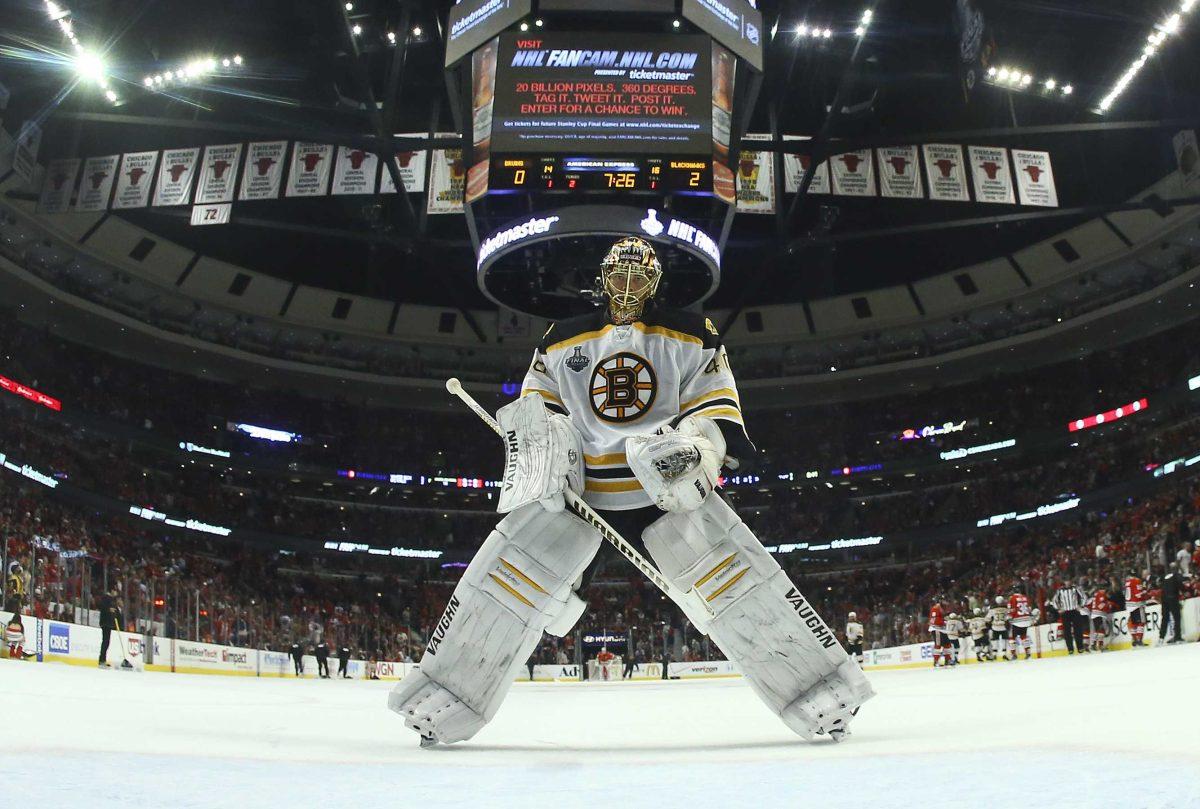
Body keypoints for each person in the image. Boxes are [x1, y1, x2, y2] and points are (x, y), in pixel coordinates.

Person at [388, 237, 873, 746]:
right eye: (618, 276)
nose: (626, 287)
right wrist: (543, 461)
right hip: (578, 494)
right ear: (602, 278)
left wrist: (697, 455)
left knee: (737, 591)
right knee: (509, 588)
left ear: (656, 283)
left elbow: (715, 409)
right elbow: (535, 415)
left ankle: (821, 693)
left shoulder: (691, 331)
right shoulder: (561, 337)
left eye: (638, 277)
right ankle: (442, 700)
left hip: (664, 491)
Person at [1050, 579, 1087, 655]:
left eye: (1069, 581)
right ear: (1064, 582)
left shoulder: (1075, 588)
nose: (1068, 582)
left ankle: (1080, 648)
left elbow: (1084, 597)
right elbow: (1054, 601)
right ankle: (1070, 649)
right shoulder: (1060, 590)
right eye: (1066, 581)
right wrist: (1059, 609)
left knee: (1078, 630)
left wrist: (1081, 606)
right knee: (1067, 632)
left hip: (1075, 611)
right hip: (1065, 612)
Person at [1158, 564, 1184, 645]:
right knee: (1177, 618)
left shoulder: (1165, 576)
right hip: (1173, 598)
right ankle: (1178, 638)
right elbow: (1181, 585)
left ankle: (1161, 638)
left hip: (1164, 599)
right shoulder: (1177, 575)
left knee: (1165, 618)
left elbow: (1160, 585)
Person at [97, 588, 122, 668]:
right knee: (105, 641)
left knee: (107, 642)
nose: (115, 593)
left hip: (110, 624)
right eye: (114, 591)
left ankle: (103, 660)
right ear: (111, 590)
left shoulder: (113, 601)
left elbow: (117, 613)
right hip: (105, 623)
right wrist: (109, 610)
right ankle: (101, 660)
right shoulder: (106, 598)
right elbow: (102, 607)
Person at [1008, 587, 1034, 660]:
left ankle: (1013, 655)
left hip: (1017, 621)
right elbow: (1029, 608)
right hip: (1026, 619)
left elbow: (1011, 610)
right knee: (1024, 637)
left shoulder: (1012, 598)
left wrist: (1009, 618)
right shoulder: (1025, 597)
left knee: (1012, 638)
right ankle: (1028, 654)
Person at [1124, 572, 1148, 648]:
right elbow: (1138, 594)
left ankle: (1134, 640)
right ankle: (1139, 641)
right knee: (1141, 622)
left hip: (1129, 605)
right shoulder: (1136, 581)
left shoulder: (1127, 582)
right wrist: (1144, 591)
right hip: (1137, 604)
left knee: (1134, 624)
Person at [1087, 586, 1112, 651]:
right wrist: (1108, 604)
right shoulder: (1101, 594)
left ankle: (1094, 644)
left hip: (1095, 614)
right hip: (1098, 614)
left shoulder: (1096, 594)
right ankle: (1098, 645)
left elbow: (1089, 605)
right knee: (1101, 630)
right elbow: (1100, 606)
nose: (1105, 591)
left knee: (1099, 630)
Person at [928, 598, 950, 667]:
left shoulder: (941, 608)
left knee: (947, 644)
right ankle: (936, 661)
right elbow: (934, 620)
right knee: (938, 645)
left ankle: (947, 660)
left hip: (942, 629)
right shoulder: (935, 608)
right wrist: (944, 622)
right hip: (936, 629)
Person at [987, 596, 1008, 661]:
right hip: (1003, 626)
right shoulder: (1005, 609)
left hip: (995, 627)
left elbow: (987, 618)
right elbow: (1008, 617)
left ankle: (995, 654)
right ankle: (1004, 654)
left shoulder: (993, 609)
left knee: (995, 640)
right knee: (1004, 640)